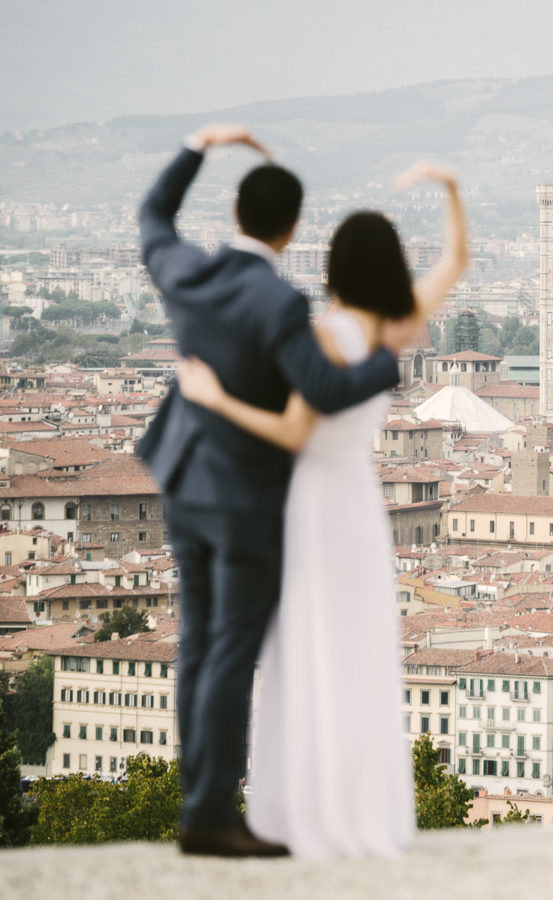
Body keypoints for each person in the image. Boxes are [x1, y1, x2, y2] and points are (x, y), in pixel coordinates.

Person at [138, 124, 422, 857]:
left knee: (197, 648)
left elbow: (152, 218)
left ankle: (199, 803)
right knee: (229, 653)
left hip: (181, 483)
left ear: (236, 215)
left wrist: (196, 146)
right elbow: (326, 388)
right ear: (293, 228)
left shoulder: (186, 273)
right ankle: (209, 813)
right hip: (243, 502)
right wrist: (387, 366)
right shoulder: (279, 303)